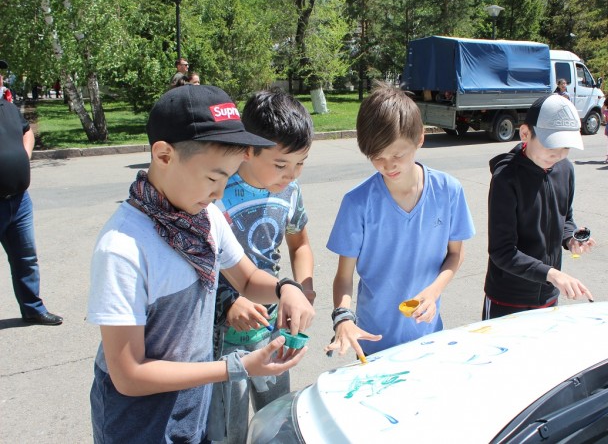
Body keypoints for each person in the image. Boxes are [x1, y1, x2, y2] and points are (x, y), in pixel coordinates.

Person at [86, 84, 314, 444]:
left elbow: (247, 280)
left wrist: (287, 289)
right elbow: (128, 374)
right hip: (139, 422)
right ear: (164, 155)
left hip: (192, 406)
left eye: (228, 177)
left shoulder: (205, 217)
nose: (220, 193)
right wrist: (235, 367)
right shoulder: (123, 248)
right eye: (213, 177)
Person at [325, 84, 475, 359]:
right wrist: (343, 318)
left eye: (397, 155)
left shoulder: (448, 191)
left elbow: (456, 254)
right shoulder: (357, 202)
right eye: (377, 157)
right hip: (373, 342)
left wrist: (434, 291)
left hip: (428, 338)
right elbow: (344, 277)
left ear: (420, 138)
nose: (388, 165)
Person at [212, 89, 315, 443]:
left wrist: (302, 289)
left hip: (272, 329)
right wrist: (229, 302)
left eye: (300, 163)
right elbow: (196, 265)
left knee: (276, 422)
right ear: (248, 149)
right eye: (281, 164)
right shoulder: (216, 190)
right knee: (228, 432)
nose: (291, 175)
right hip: (222, 339)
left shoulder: (290, 191)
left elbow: (300, 244)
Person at [483, 94, 595, 320]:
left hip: (549, 294)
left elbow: (566, 218)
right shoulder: (506, 177)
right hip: (508, 297)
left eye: (566, 146)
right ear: (525, 133)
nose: (558, 154)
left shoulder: (565, 169)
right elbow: (502, 251)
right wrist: (552, 274)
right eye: (551, 144)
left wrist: (571, 238)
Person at [0, 61, 62, 325]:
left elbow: (27, 132)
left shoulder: (8, 107)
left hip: (19, 200)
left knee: (26, 258)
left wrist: (23, 156)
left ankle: (33, 309)